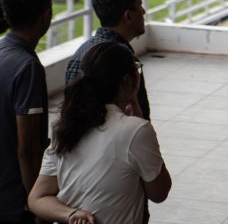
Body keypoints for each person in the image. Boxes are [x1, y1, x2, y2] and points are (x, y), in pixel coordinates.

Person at [28, 41, 171, 224]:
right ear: (127, 80)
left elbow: (37, 199)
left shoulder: (66, 126)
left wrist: (70, 214)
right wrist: (142, 121)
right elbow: (159, 193)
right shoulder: (136, 131)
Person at [0, 0, 52, 224]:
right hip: (15, 203)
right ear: (45, 16)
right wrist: (38, 205)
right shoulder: (27, 67)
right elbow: (28, 149)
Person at [65, 0, 150, 120]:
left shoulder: (81, 51)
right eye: (140, 5)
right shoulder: (123, 60)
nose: (144, 11)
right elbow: (136, 121)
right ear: (128, 16)